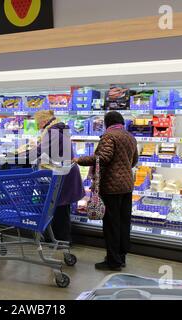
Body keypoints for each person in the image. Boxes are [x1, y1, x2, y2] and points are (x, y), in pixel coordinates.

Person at [74, 111, 138, 271]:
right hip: (126, 185)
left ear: (107, 123)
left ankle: (113, 261)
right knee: (123, 223)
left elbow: (102, 158)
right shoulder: (130, 136)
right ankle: (121, 257)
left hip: (111, 187)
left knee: (111, 224)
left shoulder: (109, 136)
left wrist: (79, 160)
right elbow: (134, 160)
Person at [24, 110, 85, 243]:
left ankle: (61, 240)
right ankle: (59, 238)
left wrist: (21, 157)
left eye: (38, 123)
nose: (38, 127)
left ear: (44, 121)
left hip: (62, 175)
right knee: (60, 209)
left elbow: (40, 151)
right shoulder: (58, 129)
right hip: (64, 173)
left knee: (59, 209)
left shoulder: (52, 132)